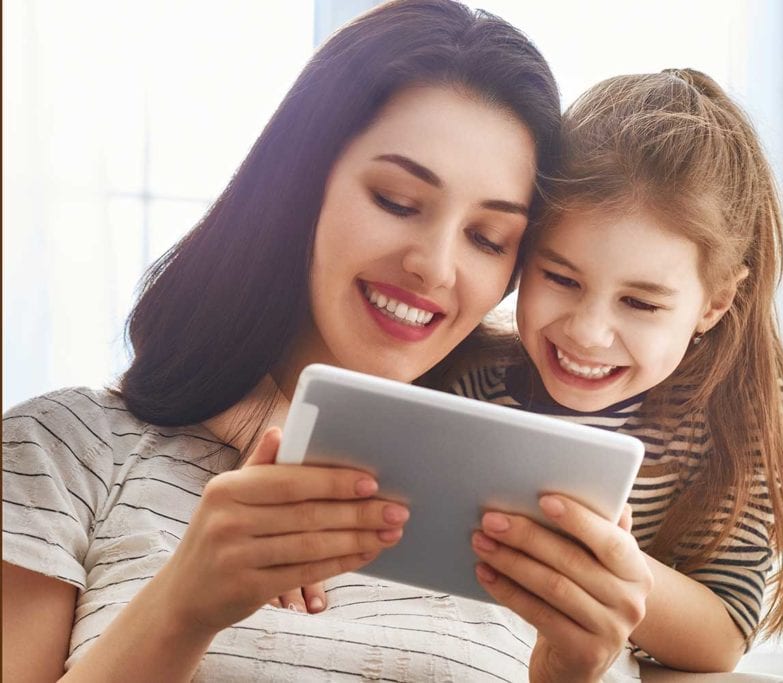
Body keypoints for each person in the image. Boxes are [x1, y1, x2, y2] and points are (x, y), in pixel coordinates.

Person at [1, 2, 652, 681]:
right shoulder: (60, 453)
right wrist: (181, 607)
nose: (435, 265)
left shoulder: (544, 525)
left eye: (488, 238)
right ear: (300, 184)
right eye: (397, 200)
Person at [445, 68, 783, 672]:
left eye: (641, 303)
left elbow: (724, 635)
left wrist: (602, 569)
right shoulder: (468, 377)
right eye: (560, 278)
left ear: (715, 303)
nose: (588, 333)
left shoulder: (729, 422)